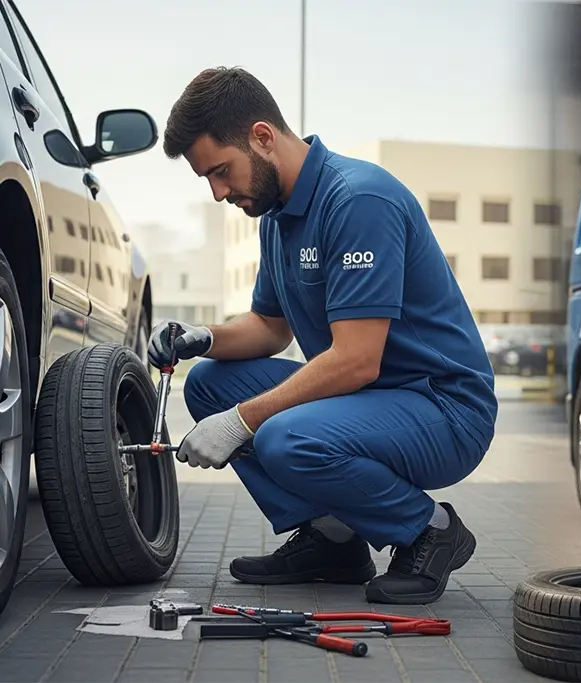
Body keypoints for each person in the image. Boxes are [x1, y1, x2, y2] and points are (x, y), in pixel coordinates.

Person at [149, 66, 498, 605]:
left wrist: (241, 422)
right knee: (210, 384)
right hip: (371, 399)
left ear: (262, 137)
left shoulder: (357, 200)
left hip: (443, 408)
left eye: (221, 171)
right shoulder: (277, 215)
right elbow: (269, 327)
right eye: (208, 180)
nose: (218, 193)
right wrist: (203, 338)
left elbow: (357, 360)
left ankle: (430, 529)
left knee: (282, 436)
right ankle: (333, 539)